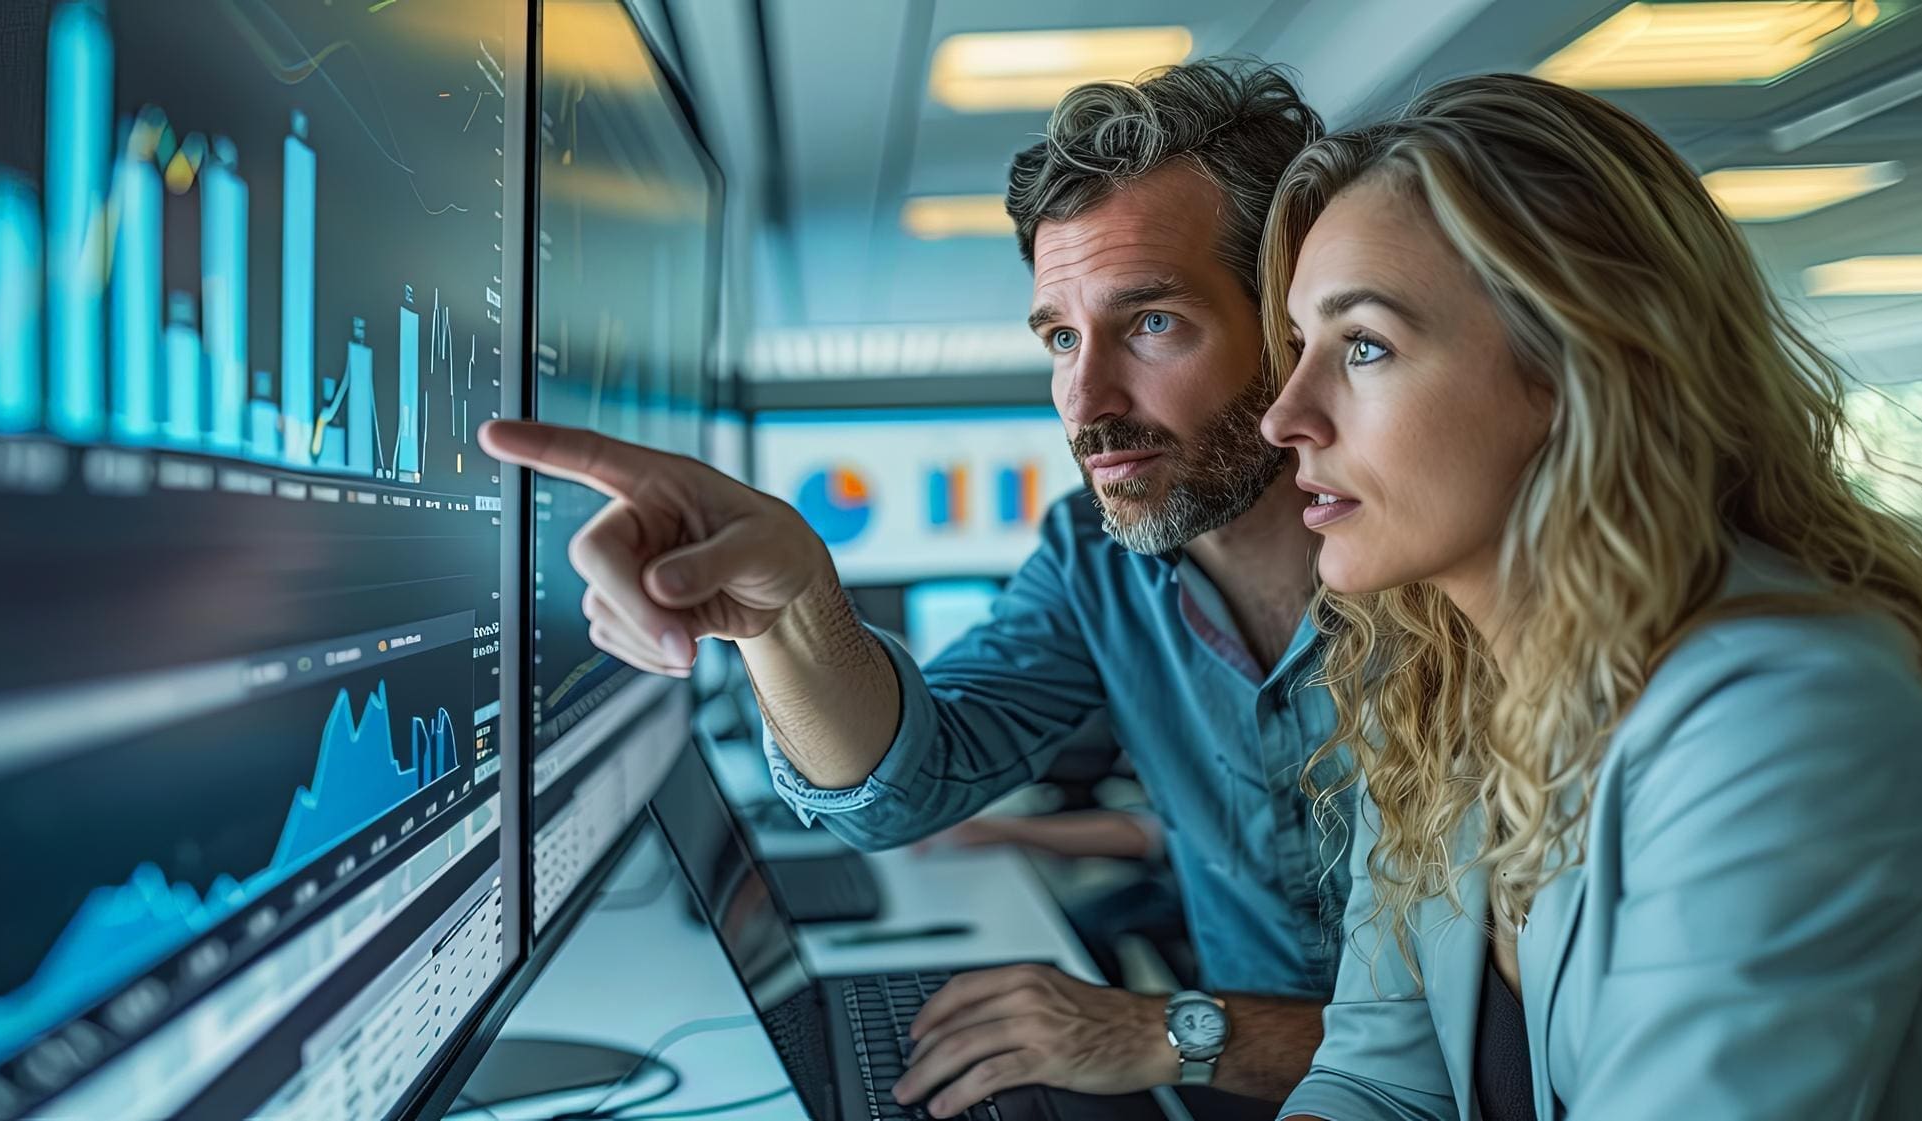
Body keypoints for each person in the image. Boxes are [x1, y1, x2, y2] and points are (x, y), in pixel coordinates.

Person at [480, 61, 1343, 1112]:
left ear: (1295, 322)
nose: (1083, 401)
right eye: (1060, 337)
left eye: (1150, 322)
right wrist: (789, 606)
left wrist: (1172, 1029)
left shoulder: (1466, 585)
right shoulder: (1094, 558)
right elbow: (907, 781)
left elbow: (1515, 1052)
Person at [1261, 73, 1922, 1121]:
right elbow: (1375, 1080)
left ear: (1571, 368)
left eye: (1363, 346)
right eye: (1299, 346)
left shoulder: (1783, 716)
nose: (1285, 415)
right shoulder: (1446, 697)